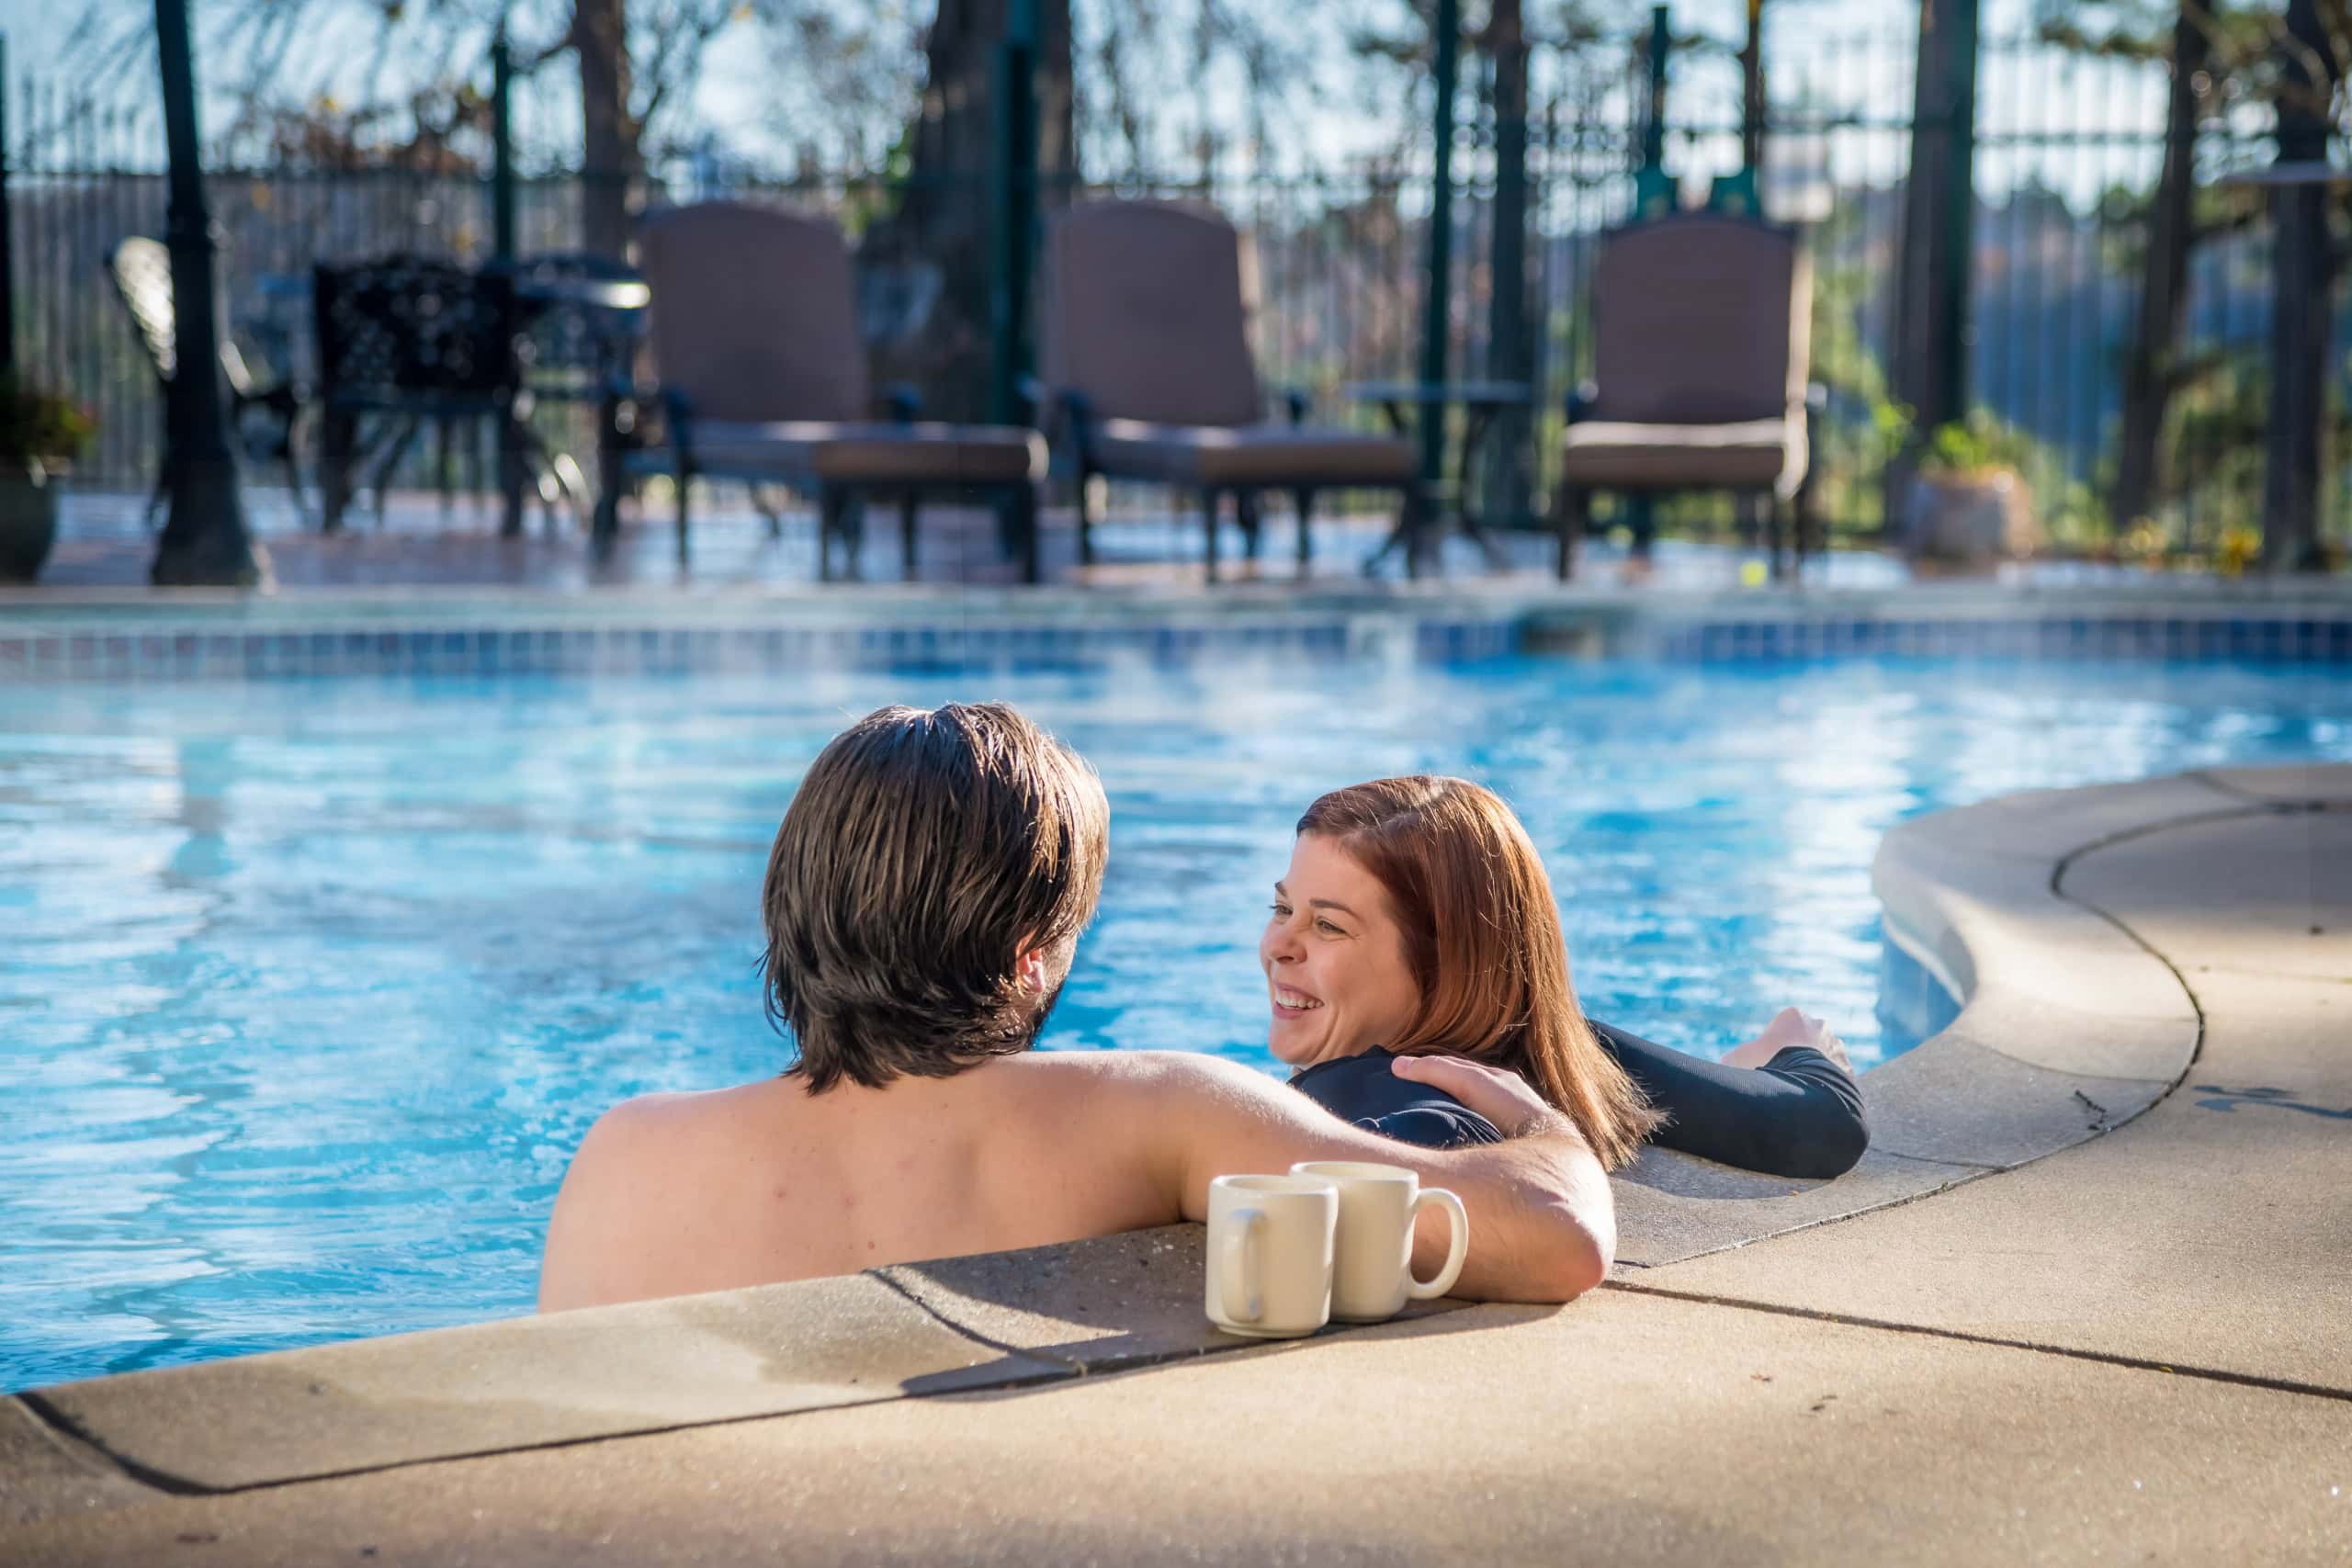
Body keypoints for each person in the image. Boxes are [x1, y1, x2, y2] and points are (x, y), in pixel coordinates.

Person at [538, 704, 1614, 1315]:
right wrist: (1551, 1135)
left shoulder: (623, 1158)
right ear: (1030, 960)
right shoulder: (1157, 1113)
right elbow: (1555, 1243)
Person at [1268, 777, 1869, 1180]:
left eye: (1328, 926)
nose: (1277, 947)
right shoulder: (1553, 1058)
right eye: (1282, 910)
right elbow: (1822, 1121)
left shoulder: (1427, 1092)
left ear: (1444, 959)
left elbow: (1824, 1124)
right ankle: (1755, 1054)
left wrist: (1798, 1043)